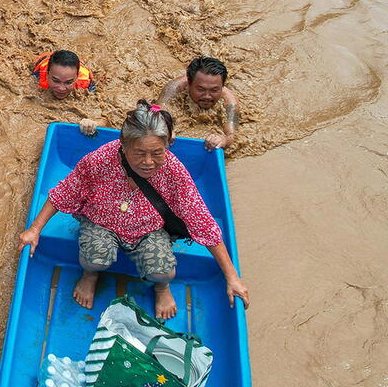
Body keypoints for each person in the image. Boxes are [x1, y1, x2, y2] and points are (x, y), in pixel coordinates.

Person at [19, 101, 249, 319]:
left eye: (157, 152)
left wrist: (232, 277)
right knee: (94, 259)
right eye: (139, 153)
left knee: (163, 272)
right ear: (124, 145)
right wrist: (35, 229)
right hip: (101, 222)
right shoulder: (100, 159)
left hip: (149, 230)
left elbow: (201, 220)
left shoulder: (174, 171)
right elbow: (66, 191)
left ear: (168, 145)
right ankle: (90, 275)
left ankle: (161, 289)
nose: (148, 162)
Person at [156, 56, 239, 151]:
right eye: (201, 89)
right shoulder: (174, 90)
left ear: (222, 87)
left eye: (214, 90)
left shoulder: (230, 102)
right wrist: (165, 130)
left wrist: (223, 140)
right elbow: (159, 117)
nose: (207, 96)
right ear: (189, 84)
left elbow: (231, 135)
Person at [31, 50, 96, 100]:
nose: (61, 89)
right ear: (47, 75)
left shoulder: (84, 82)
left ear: (76, 78)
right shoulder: (39, 74)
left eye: (68, 82)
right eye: (56, 81)